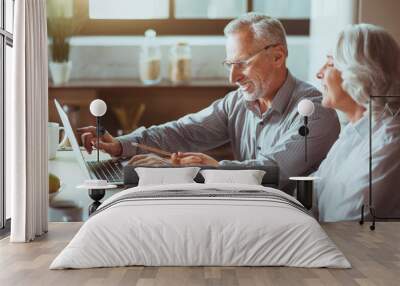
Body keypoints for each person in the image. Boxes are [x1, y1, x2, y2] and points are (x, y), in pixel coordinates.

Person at [78, 13, 340, 192]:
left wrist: (214, 168)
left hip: (294, 227)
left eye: (242, 64)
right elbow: (183, 131)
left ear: (278, 56)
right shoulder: (237, 103)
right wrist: (121, 145)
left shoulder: (314, 112)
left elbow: (275, 170)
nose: (233, 77)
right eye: (230, 65)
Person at [313, 23, 400, 222]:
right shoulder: (355, 130)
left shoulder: (390, 141)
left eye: (330, 64)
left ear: (358, 72)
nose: (319, 73)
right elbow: (314, 194)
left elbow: (346, 223)